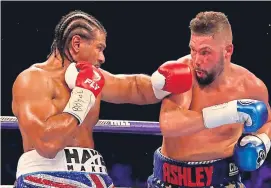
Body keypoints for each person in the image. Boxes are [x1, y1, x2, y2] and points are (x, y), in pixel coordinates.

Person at [11, 10, 192, 187]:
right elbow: (46, 144)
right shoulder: (33, 80)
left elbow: (133, 87)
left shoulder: (93, 78)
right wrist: (83, 95)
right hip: (44, 176)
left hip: (94, 175)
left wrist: (162, 83)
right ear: (76, 44)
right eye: (99, 48)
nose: (102, 57)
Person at [148, 11, 271, 188]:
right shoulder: (183, 73)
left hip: (224, 180)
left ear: (228, 51)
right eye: (193, 50)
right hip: (171, 179)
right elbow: (169, 124)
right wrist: (229, 112)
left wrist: (262, 141)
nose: (197, 60)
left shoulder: (251, 86)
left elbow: (267, 121)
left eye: (205, 52)